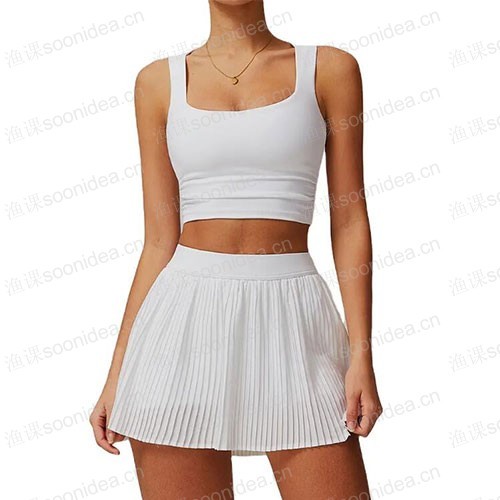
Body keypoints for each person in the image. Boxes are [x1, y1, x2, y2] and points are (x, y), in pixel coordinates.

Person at [89, 1, 382, 498]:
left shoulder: (329, 69)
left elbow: (350, 219)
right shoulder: (157, 83)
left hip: (294, 319)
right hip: (179, 327)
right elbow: (158, 241)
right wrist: (118, 374)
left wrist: (361, 357)